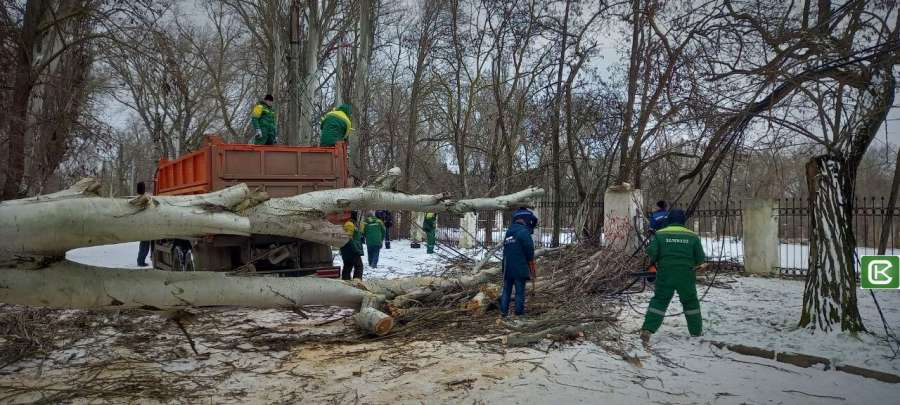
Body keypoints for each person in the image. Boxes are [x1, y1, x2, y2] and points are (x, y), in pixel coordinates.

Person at [640, 209, 706, 345]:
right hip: (686, 275)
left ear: (669, 220)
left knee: (659, 301)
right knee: (690, 302)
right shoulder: (692, 236)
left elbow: (651, 253)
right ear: (683, 221)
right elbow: (700, 259)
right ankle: (696, 331)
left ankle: (647, 330)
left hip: (665, 274)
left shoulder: (660, 234)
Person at [500, 208, 537, 317]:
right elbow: (529, 249)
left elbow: (505, 248)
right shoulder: (524, 232)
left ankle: (503, 312)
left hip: (507, 267)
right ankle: (519, 314)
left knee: (506, 291)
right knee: (519, 291)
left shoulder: (509, 232)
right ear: (525, 221)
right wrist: (530, 261)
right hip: (520, 267)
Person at [340, 212, 365, 280]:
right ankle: (357, 282)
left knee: (348, 266)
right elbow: (348, 238)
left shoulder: (350, 224)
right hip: (351, 249)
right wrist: (355, 249)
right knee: (359, 266)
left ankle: (346, 282)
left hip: (347, 249)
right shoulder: (349, 224)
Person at [136, 182, 151, 267]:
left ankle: (140, 260)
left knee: (143, 244)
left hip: (141, 225)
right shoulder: (145, 198)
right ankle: (141, 261)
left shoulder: (136, 198)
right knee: (145, 245)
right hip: (146, 225)